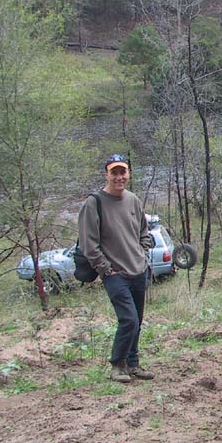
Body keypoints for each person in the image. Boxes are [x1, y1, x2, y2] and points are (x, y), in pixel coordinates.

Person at [78, 154, 154, 383]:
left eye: (123, 172)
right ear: (106, 174)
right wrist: (105, 269)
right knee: (128, 320)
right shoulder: (94, 203)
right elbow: (88, 243)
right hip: (115, 274)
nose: (119, 177)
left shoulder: (133, 200)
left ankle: (133, 364)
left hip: (138, 270)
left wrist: (143, 253)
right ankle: (117, 365)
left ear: (128, 174)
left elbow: (144, 231)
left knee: (137, 321)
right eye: (114, 172)